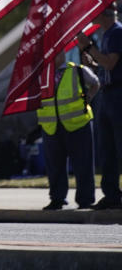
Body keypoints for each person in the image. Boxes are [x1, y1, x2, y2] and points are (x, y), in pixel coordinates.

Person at [38, 50, 100, 210]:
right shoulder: (42, 75)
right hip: (51, 126)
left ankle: (85, 199)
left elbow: (95, 83)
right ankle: (57, 199)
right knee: (55, 166)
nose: (52, 58)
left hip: (78, 123)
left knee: (83, 164)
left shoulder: (76, 70)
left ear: (63, 54)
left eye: (55, 54)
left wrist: (88, 98)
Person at [76, 1, 122, 210]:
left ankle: (113, 193)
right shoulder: (108, 35)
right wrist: (92, 62)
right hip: (107, 93)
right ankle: (111, 194)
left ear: (104, 15)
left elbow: (111, 62)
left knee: (118, 146)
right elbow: (105, 65)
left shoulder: (117, 33)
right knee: (108, 148)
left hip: (118, 94)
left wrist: (88, 47)